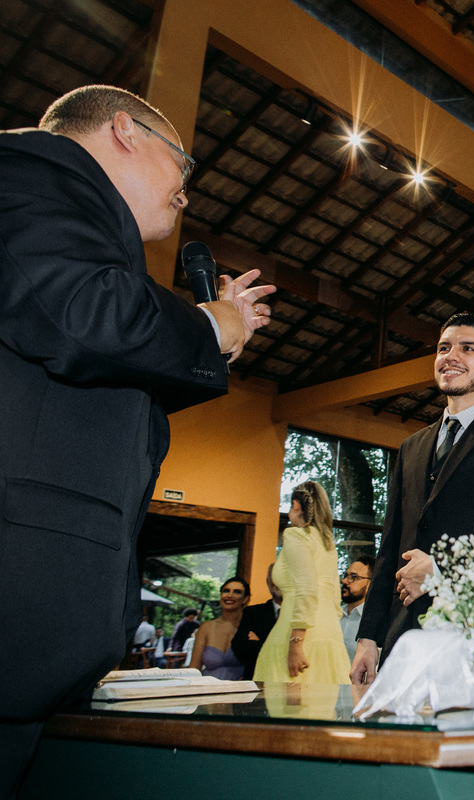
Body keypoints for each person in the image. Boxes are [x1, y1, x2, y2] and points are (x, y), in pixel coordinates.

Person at [0, 83, 275, 796]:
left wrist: (212, 342)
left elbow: (99, 386)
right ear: (125, 131)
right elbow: (81, 316)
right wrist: (206, 325)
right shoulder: (29, 172)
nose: (186, 189)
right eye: (183, 162)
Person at [352, 313, 474, 684]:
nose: (451, 356)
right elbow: (390, 545)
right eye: (444, 348)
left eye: (468, 348)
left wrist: (441, 573)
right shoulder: (410, 447)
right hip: (402, 636)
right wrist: (369, 638)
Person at [255, 482, 350, 684]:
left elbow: (307, 588)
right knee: (321, 699)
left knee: (285, 699)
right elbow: (335, 598)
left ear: (296, 505)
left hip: (299, 634)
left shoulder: (296, 535)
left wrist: (296, 643)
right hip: (329, 632)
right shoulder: (327, 543)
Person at [187, 577, 249, 680]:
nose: (230, 595)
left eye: (237, 592)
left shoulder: (251, 626)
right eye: (226, 591)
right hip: (207, 687)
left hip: (241, 688)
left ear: (245, 599)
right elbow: (194, 668)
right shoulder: (206, 627)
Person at [231, 563, 282, 680]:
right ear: (267, 582)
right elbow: (241, 649)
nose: (276, 582)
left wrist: (262, 644)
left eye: (281, 577)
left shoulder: (302, 615)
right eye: (272, 578)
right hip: (257, 681)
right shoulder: (253, 613)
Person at [340, 556, 374, 661]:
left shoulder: (375, 622)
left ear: (371, 583)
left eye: (353, 577)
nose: (344, 581)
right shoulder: (333, 615)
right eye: (346, 576)